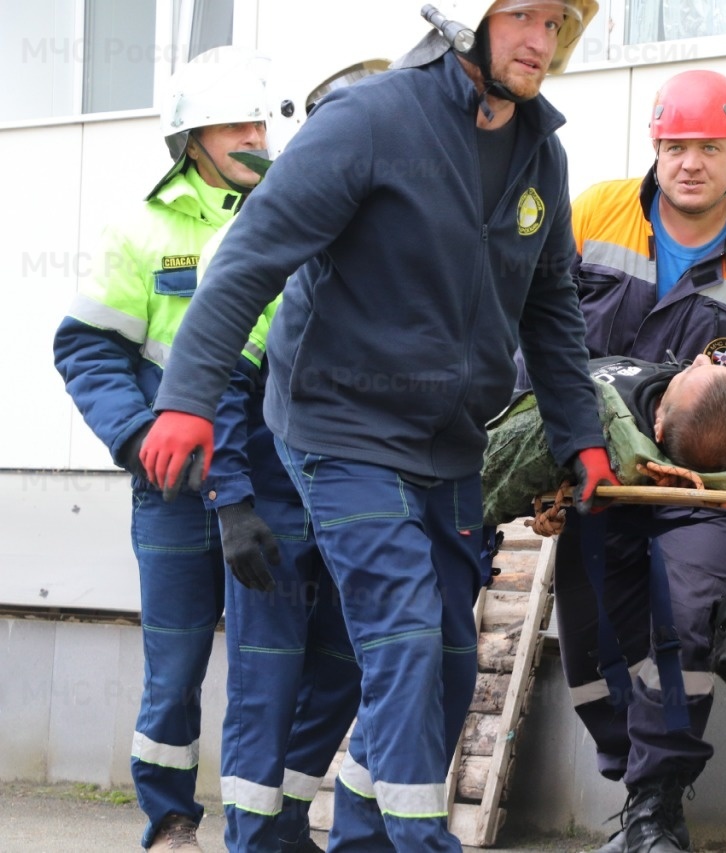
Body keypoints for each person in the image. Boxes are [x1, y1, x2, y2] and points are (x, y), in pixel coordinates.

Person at [135, 2, 613, 850]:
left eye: (558, 21)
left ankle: (362, 831)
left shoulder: (543, 151)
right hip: (340, 429)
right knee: (402, 640)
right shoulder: (367, 121)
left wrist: (582, 437)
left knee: (451, 661)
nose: (542, 40)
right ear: (468, 19)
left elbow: (551, 309)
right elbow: (251, 261)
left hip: (450, 444)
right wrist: (186, 400)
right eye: (523, 17)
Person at [558, 69, 726, 853]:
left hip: (710, 485)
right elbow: (536, 330)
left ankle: (658, 801)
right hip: (599, 475)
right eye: (675, 146)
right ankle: (633, 777)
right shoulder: (594, 214)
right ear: (654, 149)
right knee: (596, 643)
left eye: (709, 147)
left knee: (683, 615)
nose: (690, 162)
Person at [51, 46, 273, 851]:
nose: (256, 134)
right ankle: (172, 819)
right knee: (175, 666)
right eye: (236, 122)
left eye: (261, 118)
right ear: (193, 137)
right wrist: (140, 435)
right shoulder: (142, 228)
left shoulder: (295, 213)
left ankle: (265, 821)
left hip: (271, 481)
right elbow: (87, 348)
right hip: (172, 485)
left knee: (267, 664)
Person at [202, 59, 389, 853]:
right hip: (275, 502)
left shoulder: (398, 245)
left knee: (348, 668)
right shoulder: (272, 236)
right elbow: (216, 377)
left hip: (358, 501)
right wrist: (234, 504)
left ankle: (283, 819)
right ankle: (250, 836)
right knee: (268, 678)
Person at [483, 354, 726, 528]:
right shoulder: (681, 404)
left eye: (689, 372)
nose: (699, 359)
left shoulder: (615, 429)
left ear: (658, 427)